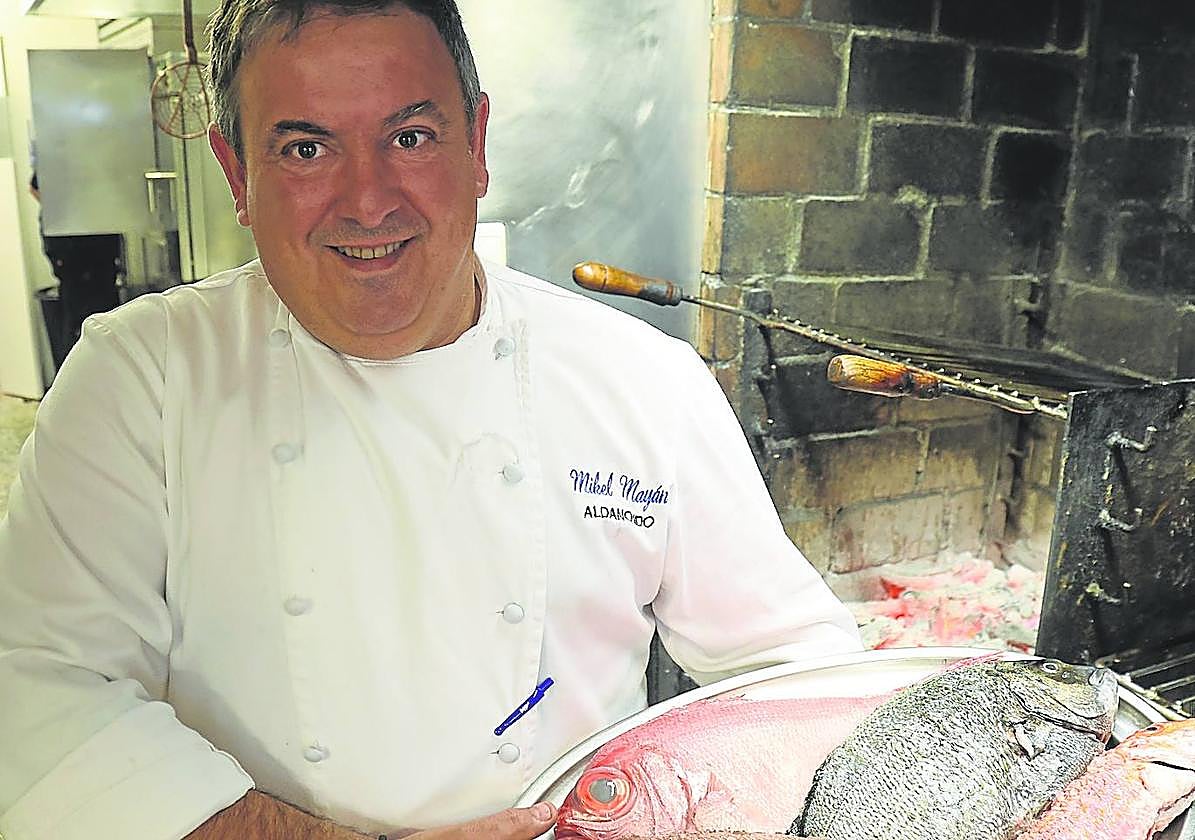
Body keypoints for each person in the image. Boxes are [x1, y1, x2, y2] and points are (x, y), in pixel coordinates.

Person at [0, 1, 863, 838]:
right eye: (305, 148)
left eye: (409, 138)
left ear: (477, 145)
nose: (368, 202)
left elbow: (792, 673)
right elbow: (38, 692)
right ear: (237, 175)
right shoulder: (142, 376)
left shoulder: (642, 378)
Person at [28, 170, 123, 366]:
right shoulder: (56, 164)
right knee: (76, 330)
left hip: (99, 260)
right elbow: (34, 188)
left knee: (107, 325)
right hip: (74, 264)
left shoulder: (90, 165)